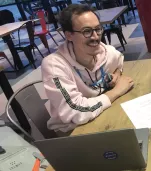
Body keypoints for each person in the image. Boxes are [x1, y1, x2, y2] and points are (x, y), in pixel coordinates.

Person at [41, 4, 134, 133]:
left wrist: (117, 74)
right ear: (69, 35)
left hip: (101, 116)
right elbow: (75, 112)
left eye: (98, 29)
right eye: (87, 31)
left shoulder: (104, 51)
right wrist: (115, 92)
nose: (96, 37)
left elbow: (119, 59)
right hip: (73, 131)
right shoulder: (54, 66)